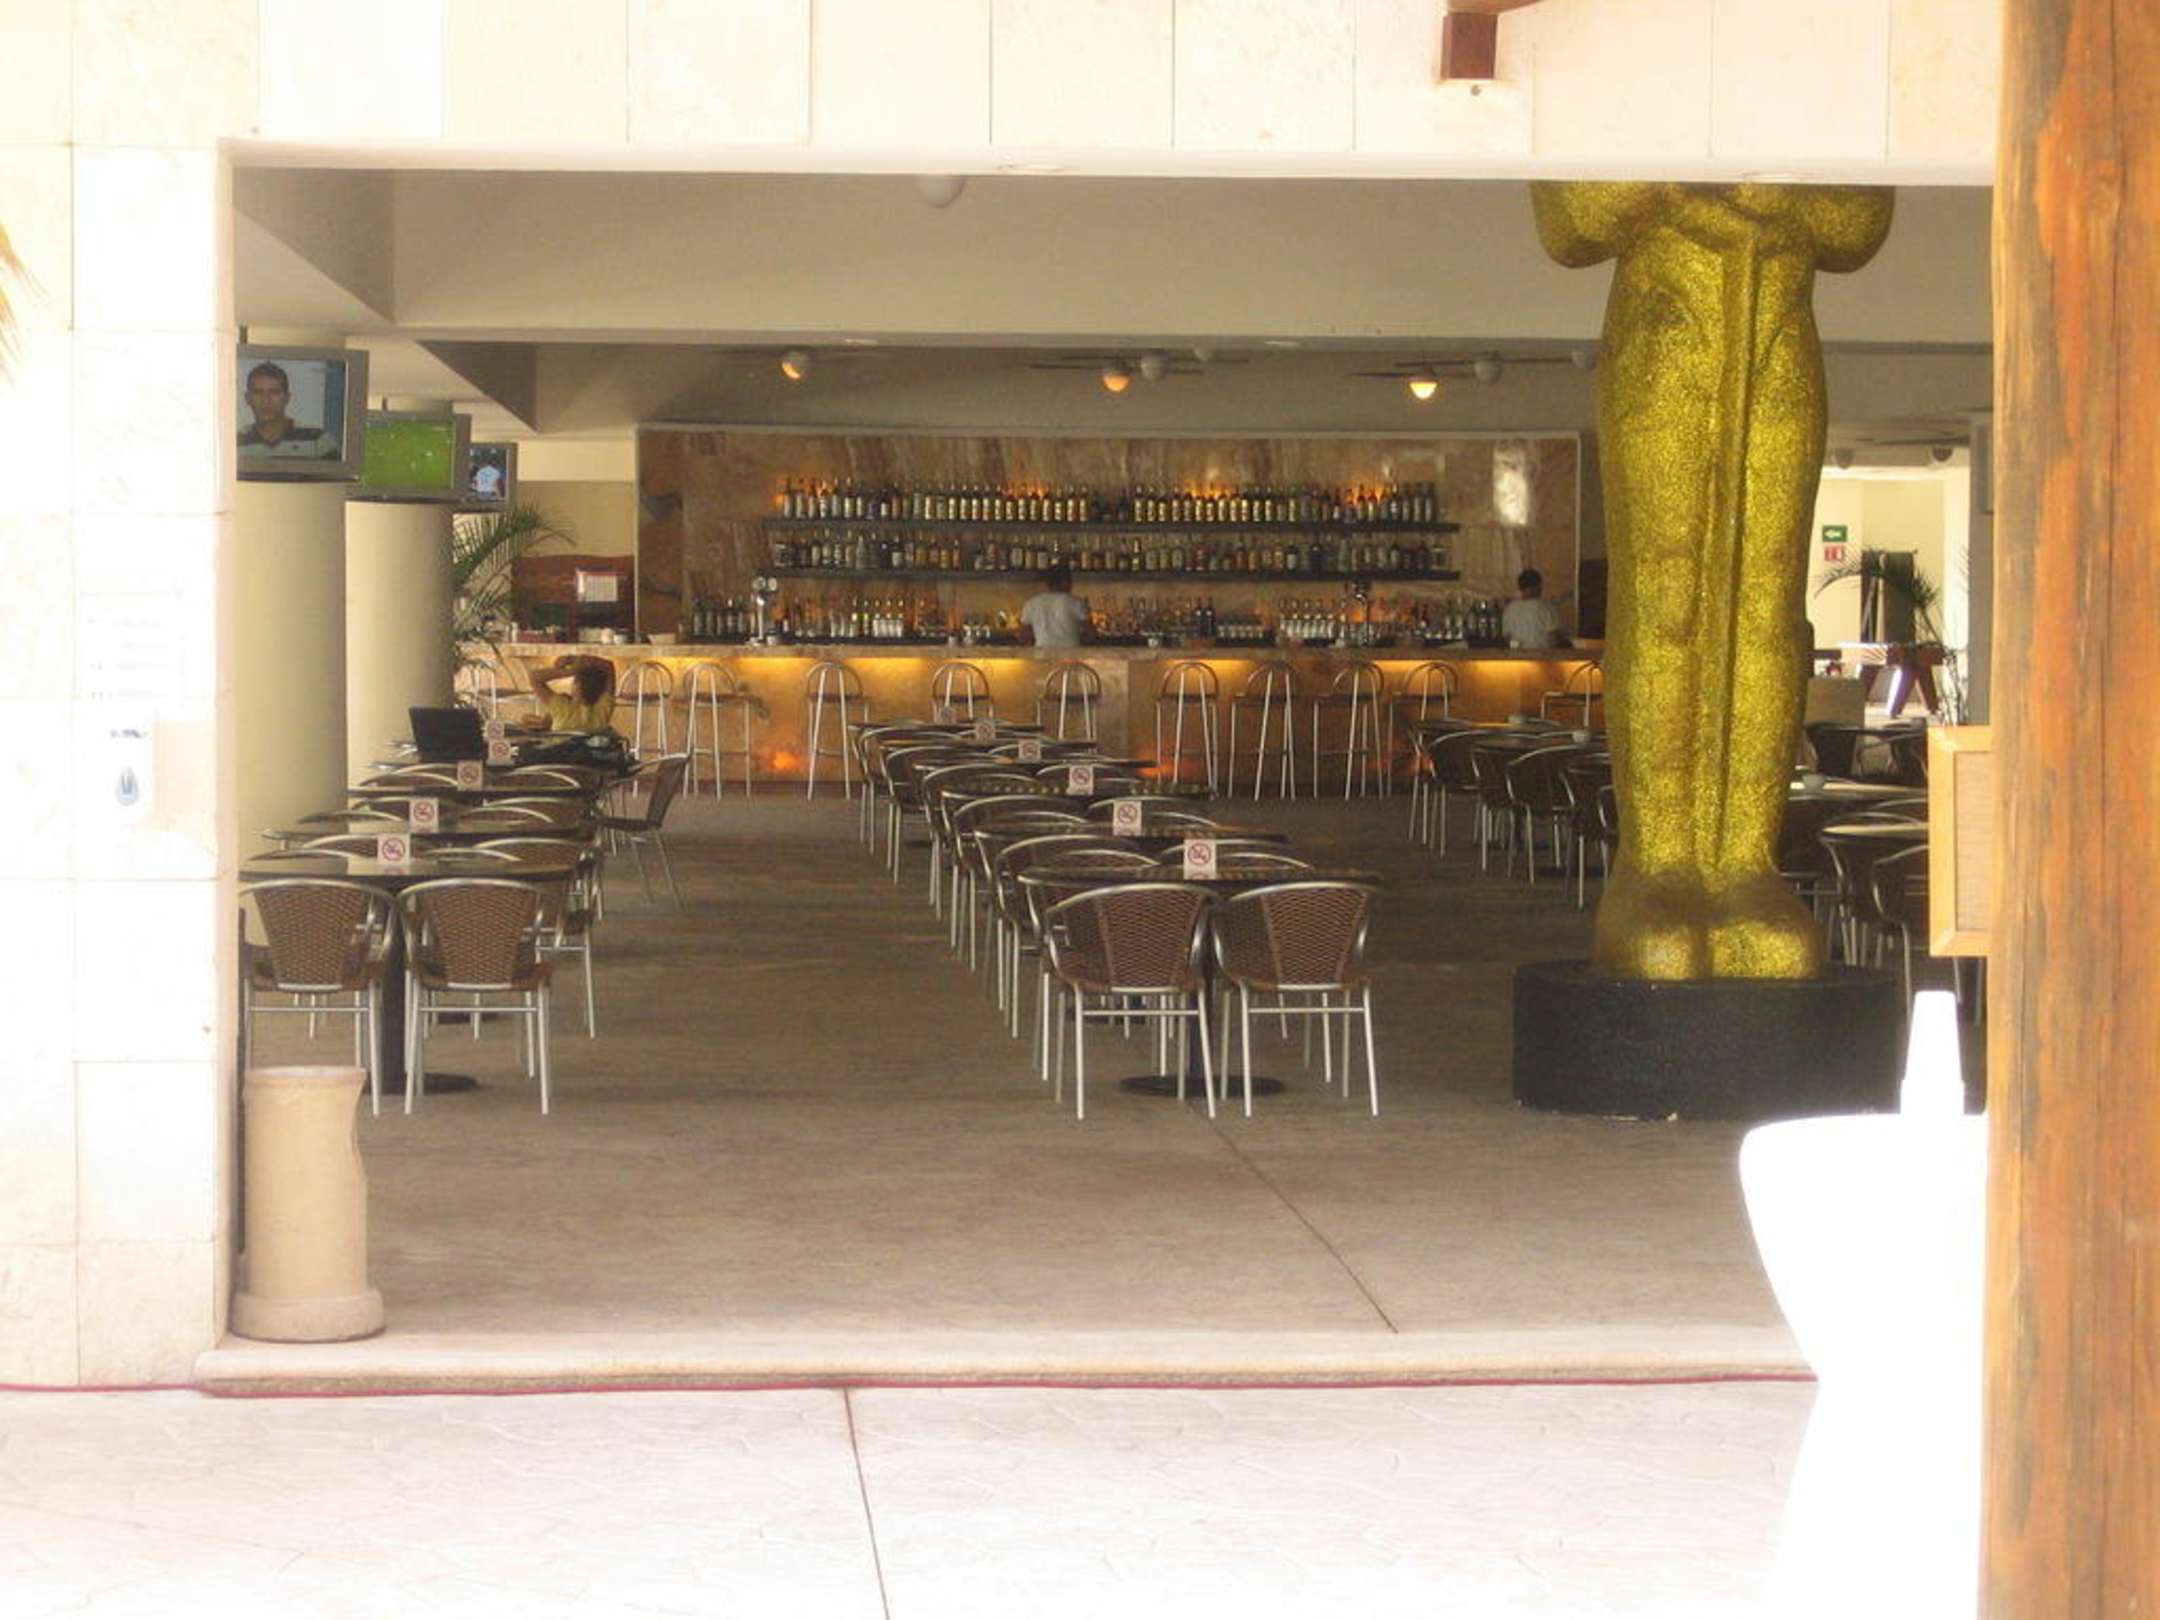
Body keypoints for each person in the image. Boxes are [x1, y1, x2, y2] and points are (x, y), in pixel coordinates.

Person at [237, 361, 339, 458]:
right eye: (258, 393)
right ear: (247, 398)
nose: (266, 400)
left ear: (287, 398)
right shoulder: (236, 442)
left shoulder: (318, 440)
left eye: (274, 392)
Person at [528, 655, 618, 733]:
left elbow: (534, 677)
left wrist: (570, 671)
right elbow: (609, 666)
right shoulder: (602, 712)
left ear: (578, 686)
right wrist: (578, 660)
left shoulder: (562, 707)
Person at [1019, 564, 1091, 649]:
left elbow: (1023, 636)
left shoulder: (1031, 604)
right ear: (1065, 581)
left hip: (1042, 653)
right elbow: (1091, 634)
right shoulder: (1076, 603)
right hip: (1071, 653)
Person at [1501, 569, 1565, 650]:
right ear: (1538, 586)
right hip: (1543, 655)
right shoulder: (1547, 608)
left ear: (1520, 588)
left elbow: (1507, 637)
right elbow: (1554, 636)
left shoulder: (1510, 609)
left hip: (1517, 655)